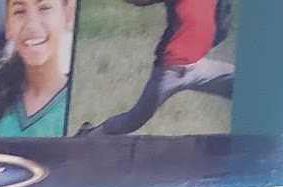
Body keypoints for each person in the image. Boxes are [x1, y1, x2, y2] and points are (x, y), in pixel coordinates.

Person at [87, 0, 233, 136]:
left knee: (240, 83)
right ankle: (89, 135)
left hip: (197, 65)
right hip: (170, 69)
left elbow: (220, 24)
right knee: (134, 119)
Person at [0, 0, 73, 139]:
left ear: (67, 14)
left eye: (44, 8)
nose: (32, 25)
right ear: (7, 25)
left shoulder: (77, 104)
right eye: (19, 11)